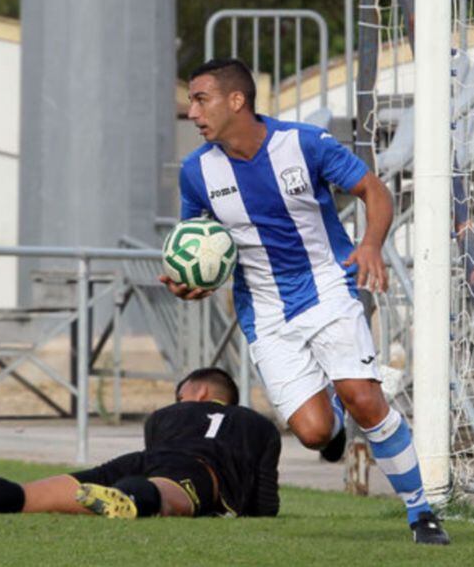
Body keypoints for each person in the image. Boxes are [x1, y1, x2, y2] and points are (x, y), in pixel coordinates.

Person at [159, 58, 449, 545]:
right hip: (265, 312)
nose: (191, 112)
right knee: (315, 433)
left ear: (237, 101)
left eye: (200, 99)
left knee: (365, 399)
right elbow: (198, 242)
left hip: (326, 286)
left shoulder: (303, 144)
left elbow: (372, 190)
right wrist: (192, 280)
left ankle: (422, 513)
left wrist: (372, 244)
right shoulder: (196, 173)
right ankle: (336, 404)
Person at [0, 368, 280, 519]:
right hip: (200, 472)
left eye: (180, 391)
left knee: (30, 495)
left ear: (200, 393)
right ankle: (130, 502)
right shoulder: (258, 425)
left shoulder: (164, 416)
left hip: (143, 459)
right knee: (169, 492)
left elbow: (157, 452)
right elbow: (265, 503)